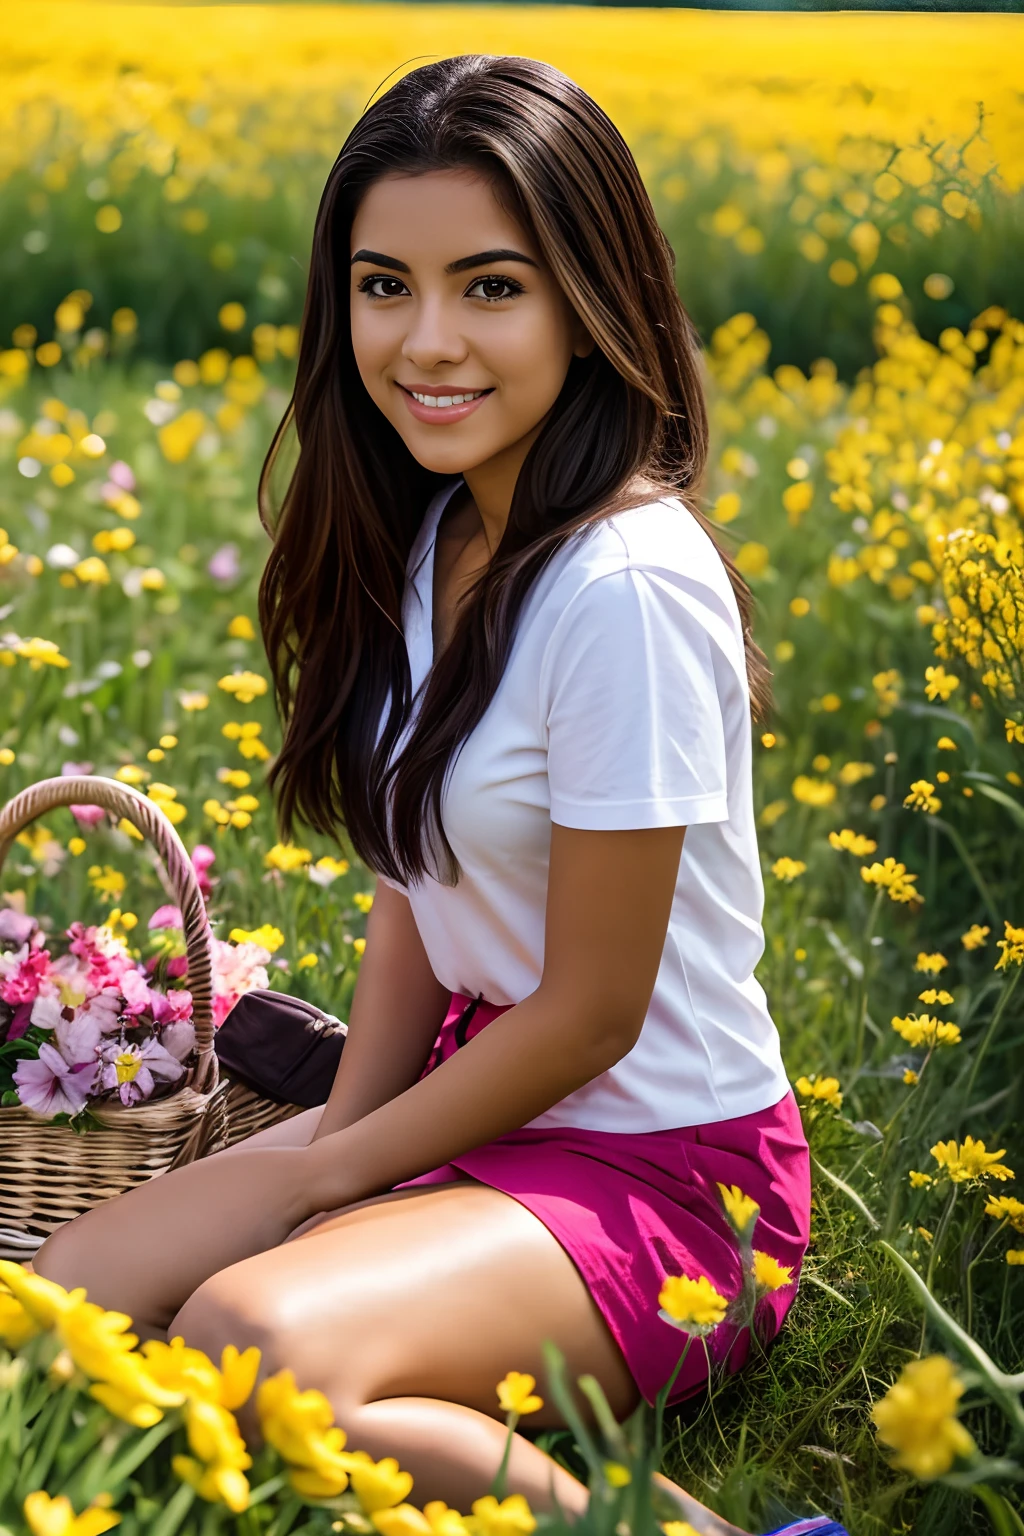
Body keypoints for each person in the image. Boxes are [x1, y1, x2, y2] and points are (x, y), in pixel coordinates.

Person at [35, 55, 819, 1535]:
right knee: (58, 1314)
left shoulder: (626, 584)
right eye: (385, 285)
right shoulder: (439, 530)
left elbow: (593, 1014)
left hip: (667, 1179)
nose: (428, 340)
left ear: (593, 301)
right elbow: (414, 886)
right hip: (466, 1106)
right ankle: (412, 1325)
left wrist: (330, 1176)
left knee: (250, 1342)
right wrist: (346, 1130)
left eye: (493, 288)